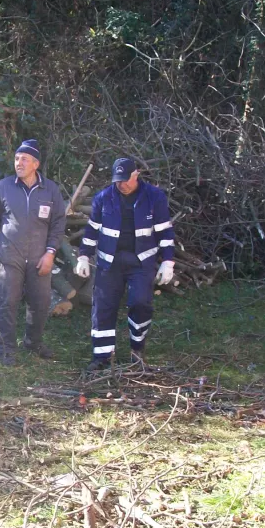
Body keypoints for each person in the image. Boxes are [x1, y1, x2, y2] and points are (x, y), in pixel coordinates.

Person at [75, 158, 176, 372]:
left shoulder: (154, 197)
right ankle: (101, 357)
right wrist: (83, 256)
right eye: (118, 181)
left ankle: (137, 349)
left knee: (141, 303)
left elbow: (164, 232)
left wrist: (168, 261)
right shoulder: (103, 198)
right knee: (103, 308)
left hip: (141, 262)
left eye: (126, 180)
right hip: (109, 263)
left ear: (136, 174)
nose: (122, 185)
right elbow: (92, 230)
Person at [0, 139, 67, 366]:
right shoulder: (4, 187)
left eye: (24, 159)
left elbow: (57, 224)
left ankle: (32, 342)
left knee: (41, 302)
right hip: (9, 254)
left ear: (36, 164)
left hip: (39, 256)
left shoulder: (50, 190)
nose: (19, 162)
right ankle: (7, 349)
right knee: (8, 302)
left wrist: (50, 253)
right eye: (17, 158)